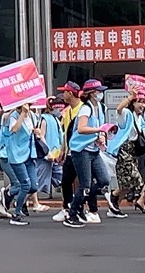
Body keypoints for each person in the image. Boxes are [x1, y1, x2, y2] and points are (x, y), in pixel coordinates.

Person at [63, 79, 110, 228]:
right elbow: (82, 128)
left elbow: (98, 128)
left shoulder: (100, 108)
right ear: (91, 94)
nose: (100, 94)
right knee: (85, 185)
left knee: (103, 180)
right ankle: (72, 213)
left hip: (93, 150)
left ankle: (80, 204)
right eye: (98, 91)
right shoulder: (86, 109)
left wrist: (101, 137)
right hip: (81, 151)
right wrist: (99, 132)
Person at [105, 87, 145, 217]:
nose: (142, 105)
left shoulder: (141, 119)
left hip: (133, 151)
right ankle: (114, 195)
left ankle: (114, 204)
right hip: (123, 150)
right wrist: (130, 96)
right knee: (137, 180)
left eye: (144, 102)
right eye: (139, 101)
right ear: (133, 103)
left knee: (126, 183)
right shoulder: (127, 114)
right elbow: (119, 109)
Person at [53, 81, 84, 223]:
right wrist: (62, 151)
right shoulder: (68, 112)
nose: (63, 95)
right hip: (71, 152)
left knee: (83, 182)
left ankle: (80, 208)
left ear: (70, 93)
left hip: (83, 152)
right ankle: (67, 207)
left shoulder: (83, 109)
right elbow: (65, 133)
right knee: (66, 181)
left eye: (65, 92)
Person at [6, 103, 39, 226]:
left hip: (29, 154)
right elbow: (14, 129)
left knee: (33, 186)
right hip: (16, 154)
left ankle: (10, 193)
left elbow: (34, 131)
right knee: (25, 184)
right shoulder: (13, 116)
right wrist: (22, 114)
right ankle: (17, 213)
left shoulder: (33, 116)